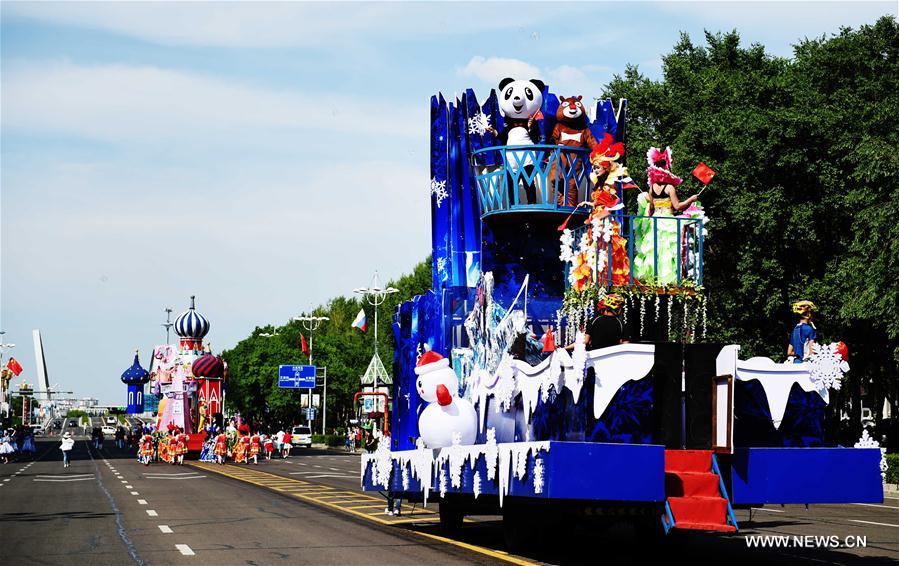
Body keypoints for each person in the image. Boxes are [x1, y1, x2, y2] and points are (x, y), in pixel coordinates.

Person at [634, 147, 698, 285]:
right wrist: (691, 200)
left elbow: (651, 207)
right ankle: (667, 280)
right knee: (667, 252)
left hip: (654, 221)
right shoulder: (670, 188)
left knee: (653, 250)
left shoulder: (652, 188)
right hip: (668, 221)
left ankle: (651, 278)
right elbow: (677, 206)